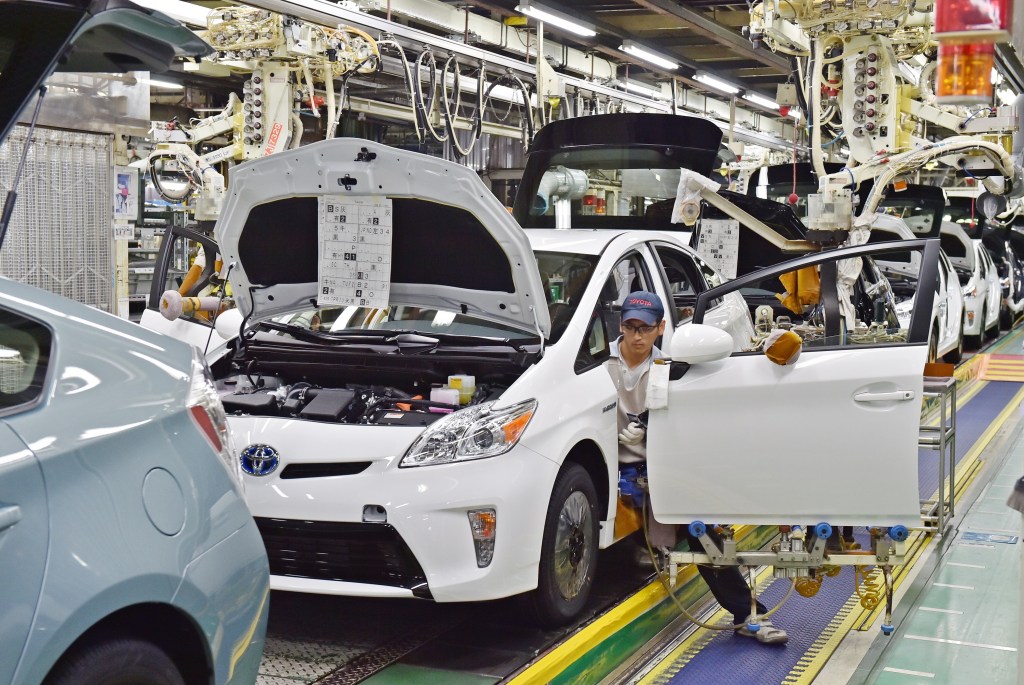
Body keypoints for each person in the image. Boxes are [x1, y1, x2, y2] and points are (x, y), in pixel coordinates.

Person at [607, 290, 789, 645]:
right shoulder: (600, 365)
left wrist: (649, 428)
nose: (637, 336)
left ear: (660, 328)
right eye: (630, 327)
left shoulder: (670, 370)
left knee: (701, 531)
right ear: (621, 326)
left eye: (645, 328)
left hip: (654, 467)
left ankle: (748, 614)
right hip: (602, 468)